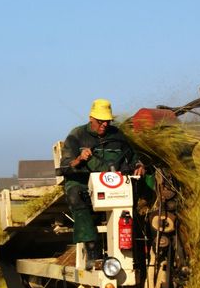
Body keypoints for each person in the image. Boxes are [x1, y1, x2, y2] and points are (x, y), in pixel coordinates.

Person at [60, 99, 144, 266]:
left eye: (107, 121)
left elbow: (133, 158)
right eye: (100, 121)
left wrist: (139, 165)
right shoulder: (76, 135)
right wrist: (79, 158)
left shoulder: (118, 136)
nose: (104, 124)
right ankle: (92, 248)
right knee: (75, 195)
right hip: (83, 182)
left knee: (134, 195)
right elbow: (65, 166)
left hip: (113, 181)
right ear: (91, 118)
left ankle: (135, 247)